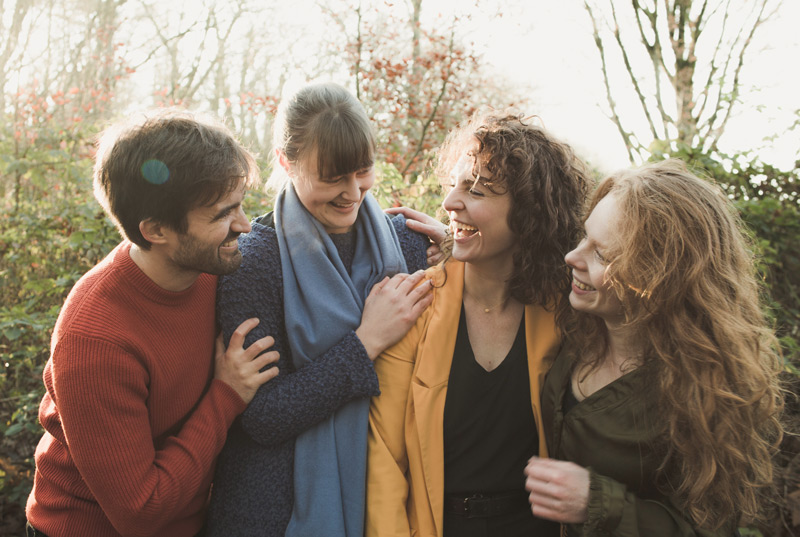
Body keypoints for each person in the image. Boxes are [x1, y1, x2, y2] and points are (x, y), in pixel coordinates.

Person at [25, 110, 280, 537]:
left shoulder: (207, 264)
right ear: (156, 230)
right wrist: (226, 394)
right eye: (222, 215)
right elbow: (141, 512)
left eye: (240, 206)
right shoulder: (96, 339)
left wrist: (400, 231)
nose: (243, 225)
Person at [205, 82, 442, 537]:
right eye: (332, 176)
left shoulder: (409, 244)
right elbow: (263, 415)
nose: (352, 193)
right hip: (276, 514)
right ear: (285, 163)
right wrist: (366, 341)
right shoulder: (255, 262)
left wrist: (456, 249)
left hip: (387, 503)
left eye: (363, 171)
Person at [525, 159, 785, 536]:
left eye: (602, 254)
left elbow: (707, 528)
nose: (573, 257)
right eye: (584, 237)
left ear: (661, 275)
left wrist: (599, 503)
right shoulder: (574, 327)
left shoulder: (705, 387)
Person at [366, 112, 590, 537]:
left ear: (528, 213)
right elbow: (384, 463)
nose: (450, 203)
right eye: (452, 185)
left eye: (476, 191)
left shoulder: (568, 312)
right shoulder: (415, 305)